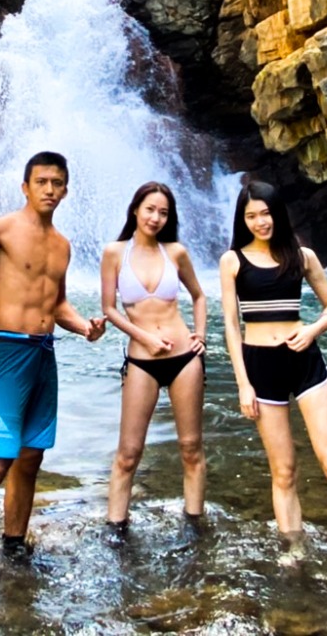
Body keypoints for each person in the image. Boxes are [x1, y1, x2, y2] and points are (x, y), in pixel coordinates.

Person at [0, 151, 106, 597]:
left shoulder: (63, 244)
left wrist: (85, 326)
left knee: (31, 458)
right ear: (25, 186)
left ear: (65, 190)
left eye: (57, 183)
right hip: (9, 355)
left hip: (44, 355)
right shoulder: (3, 229)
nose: (50, 189)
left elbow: (57, 303)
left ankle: (13, 546)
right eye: (42, 181)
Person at [219, 179, 327, 595]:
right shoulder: (233, 262)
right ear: (243, 220)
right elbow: (230, 325)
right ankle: (293, 553)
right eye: (251, 216)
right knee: (284, 469)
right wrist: (243, 384)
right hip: (261, 367)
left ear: (278, 212)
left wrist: (313, 329)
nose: (260, 222)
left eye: (266, 213)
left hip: (305, 360)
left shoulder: (302, 256)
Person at [99, 181, 207, 536]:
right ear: (135, 210)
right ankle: (116, 530)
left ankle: (194, 524)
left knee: (190, 447)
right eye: (150, 209)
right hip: (141, 360)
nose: (156, 217)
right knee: (128, 453)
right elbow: (110, 310)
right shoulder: (115, 252)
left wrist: (201, 336)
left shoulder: (175, 252)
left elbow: (199, 296)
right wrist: (144, 336)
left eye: (163, 212)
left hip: (183, 359)